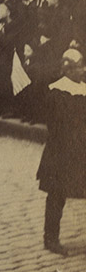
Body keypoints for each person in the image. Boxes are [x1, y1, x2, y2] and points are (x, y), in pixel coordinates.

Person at [36, 48, 86, 255]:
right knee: (57, 194)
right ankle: (51, 238)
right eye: (77, 67)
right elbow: (55, 125)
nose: (82, 71)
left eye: (82, 66)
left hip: (82, 150)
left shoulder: (84, 90)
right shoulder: (57, 92)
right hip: (61, 151)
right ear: (67, 69)